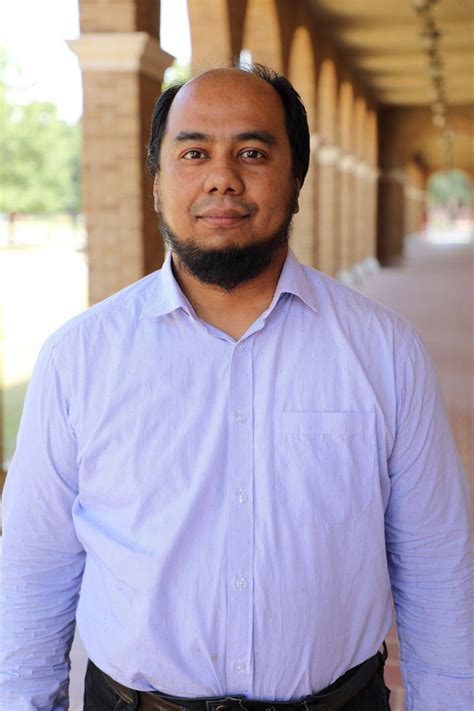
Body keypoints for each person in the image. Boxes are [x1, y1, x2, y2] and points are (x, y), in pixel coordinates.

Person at [1, 63, 472, 711]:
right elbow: (34, 565)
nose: (222, 175)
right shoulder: (79, 357)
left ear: (297, 179)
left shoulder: (385, 351)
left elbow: (436, 565)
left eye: (252, 152)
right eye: (194, 152)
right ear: (158, 183)